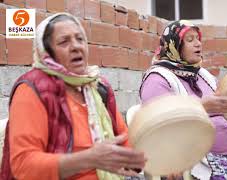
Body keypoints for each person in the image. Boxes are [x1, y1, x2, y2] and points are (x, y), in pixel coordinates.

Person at [0, 13, 146, 180]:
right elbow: (24, 166)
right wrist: (90, 159)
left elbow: (124, 142)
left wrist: (151, 155)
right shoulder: (32, 89)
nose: (76, 47)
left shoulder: (98, 87)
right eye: (64, 42)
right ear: (47, 53)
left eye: (80, 39)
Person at [139, 20, 227, 179]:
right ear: (174, 45)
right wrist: (201, 107)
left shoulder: (203, 75)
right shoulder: (157, 78)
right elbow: (156, 120)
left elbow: (225, 110)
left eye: (198, 39)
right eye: (190, 40)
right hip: (197, 156)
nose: (198, 44)